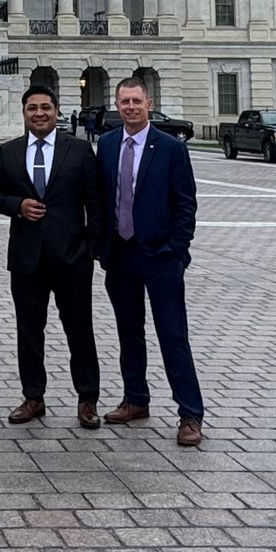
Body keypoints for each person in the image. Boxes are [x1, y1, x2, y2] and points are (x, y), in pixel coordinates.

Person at [97, 76, 205, 447]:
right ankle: (135, 399)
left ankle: (190, 413)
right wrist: (101, 247)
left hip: (160, 257)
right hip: (121, 254)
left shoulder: (171, 148)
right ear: (117, 104)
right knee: (129, 334)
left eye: (136, 101)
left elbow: (185, 204)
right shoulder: (108, 145)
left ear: (149, 103)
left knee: (173, 336)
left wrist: (177, 250)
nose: (130, 107)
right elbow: (101, 199)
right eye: (124, 102)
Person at [0, 84, 104, 427]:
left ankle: (87, 399)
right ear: (23, 113)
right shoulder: (9, 152)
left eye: (45, 108)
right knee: (29, 330)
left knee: (80, 330)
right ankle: (33, 396)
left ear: (56, 111)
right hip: (26, 257)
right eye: (32, 108)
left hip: (71, 257)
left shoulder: (79, 150)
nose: (39, 113)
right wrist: (17, 206)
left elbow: (95, 203)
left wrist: (91, 249)